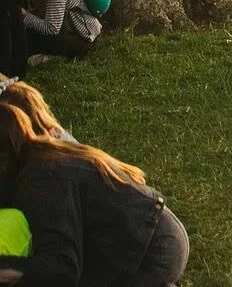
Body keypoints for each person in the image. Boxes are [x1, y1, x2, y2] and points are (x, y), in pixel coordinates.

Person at [0, 81, 189, 283]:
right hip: (150, 234)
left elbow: (61, 267)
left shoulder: (44, 178)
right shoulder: (39, 156)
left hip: (152, 251)